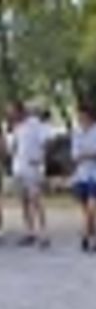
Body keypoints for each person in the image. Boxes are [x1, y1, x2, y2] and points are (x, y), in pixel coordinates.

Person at [10, 102, 51, 248]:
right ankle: (29, 231)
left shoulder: (35, 124)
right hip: (19, 167)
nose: (12, 115)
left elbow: (45, 142)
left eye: (14, 112)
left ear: (21, 111)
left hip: (32, 166)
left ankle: (43, 233)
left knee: (36, 199)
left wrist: (41, 159)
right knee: (24, 201)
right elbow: (15, 146)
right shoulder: (17, 127)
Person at [71, 104, 96, 252]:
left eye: (83, 116)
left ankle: (86, 236)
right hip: (81, 175)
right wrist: (88, 154)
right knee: (86, 210)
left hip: (94, 174)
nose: (81, 119)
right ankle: (90, 236)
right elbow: (75, 155)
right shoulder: (77, 133)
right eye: (79, 117)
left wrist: (85, 154)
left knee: (92, 208)